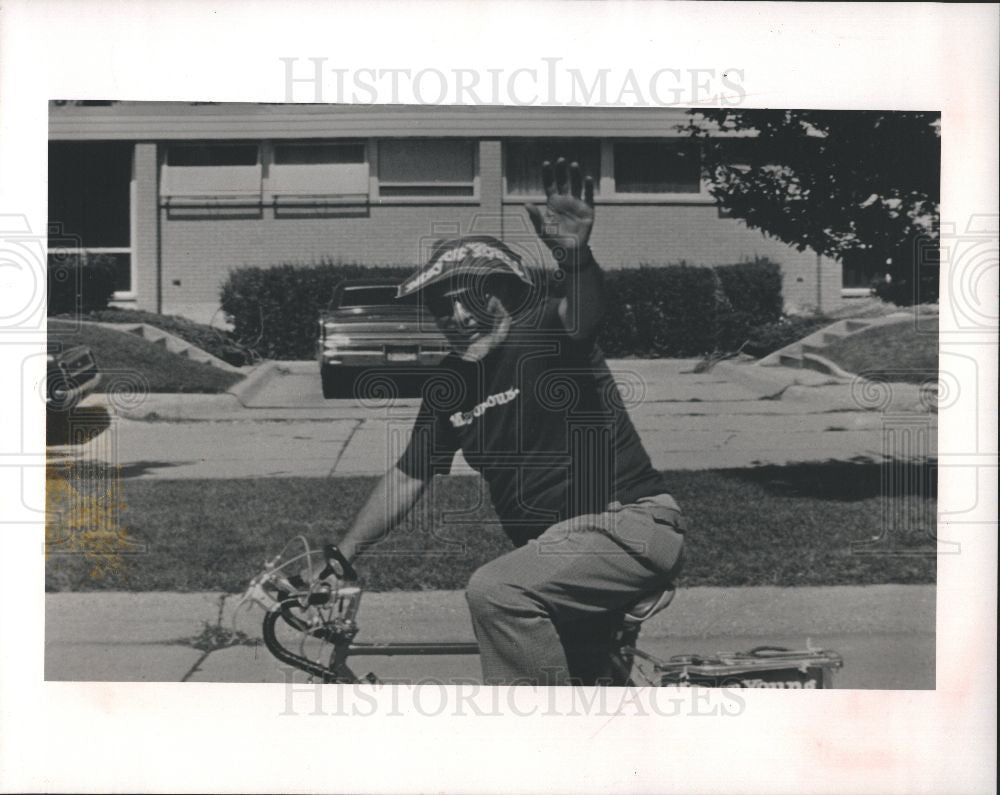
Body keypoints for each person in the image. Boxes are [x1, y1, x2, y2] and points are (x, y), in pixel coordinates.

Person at [333, 158, 686, 685]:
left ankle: (535, 741)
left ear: (509, 293)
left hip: (626, 525)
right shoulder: (449, 384)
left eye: (473, 296)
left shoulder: (544, 330)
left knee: (498, 592)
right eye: (440, 305)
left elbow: (584, 315)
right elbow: (410, 475)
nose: (456, 317)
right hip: (554, 555)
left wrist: (575, 257)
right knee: (592, 693)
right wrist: (341, 556)